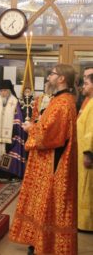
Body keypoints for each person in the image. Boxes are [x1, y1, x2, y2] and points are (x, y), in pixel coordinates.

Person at [9, 64, 78, 255]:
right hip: (45, 161)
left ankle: (48, 246)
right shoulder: (59, 100)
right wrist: (36, 124)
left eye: (52, 74)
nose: (49, 77)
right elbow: (48, 124)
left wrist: (31, 128)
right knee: (41, 203)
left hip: (53, 163)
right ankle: (39, 242)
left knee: (49, 204)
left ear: (62, 78)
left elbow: (51, 135)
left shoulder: (64, 103)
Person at [77, 72, 93, 232]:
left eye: (87, 83)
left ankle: (87, 223)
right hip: (83, 151)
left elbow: (92, 131)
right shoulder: (89, 102)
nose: (84, 86)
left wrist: (88, 153)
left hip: (88, 155)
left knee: (87, 189)